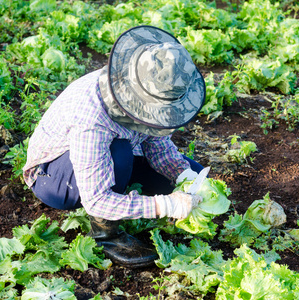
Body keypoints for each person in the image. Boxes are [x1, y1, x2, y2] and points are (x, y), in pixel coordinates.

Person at [22, 25, 206, 267]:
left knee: (186, 175)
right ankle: (105, 235)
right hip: (54, 176)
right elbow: (96, 199)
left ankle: (126, 191)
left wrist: (183, 175)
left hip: (107, 154)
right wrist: (164, 205)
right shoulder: (92, 115)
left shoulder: (152, 88)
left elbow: (158, 146)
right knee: (119, 153)